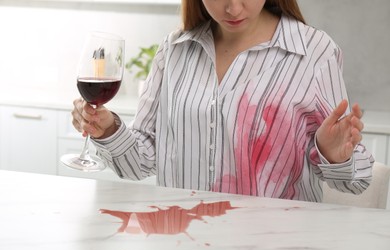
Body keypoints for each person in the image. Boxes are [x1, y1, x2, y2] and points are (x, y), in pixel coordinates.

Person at [71, 0, 374, 202]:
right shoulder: (175, 49)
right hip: (184, 239)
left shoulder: (314, 52)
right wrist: (108, 130)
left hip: (278, 246)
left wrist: (334, 155)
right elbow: (142, 162)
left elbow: (356, 181)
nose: (233, 7)